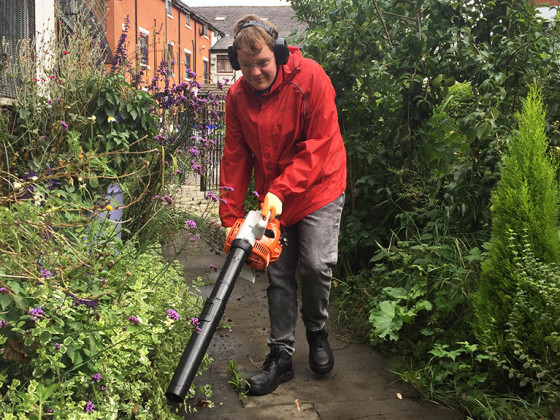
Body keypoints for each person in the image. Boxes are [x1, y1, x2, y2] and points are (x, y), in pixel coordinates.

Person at [219, 14, 347, 396]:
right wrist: (231, 216)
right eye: (245, 66)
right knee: (277, 271)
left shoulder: (311, 79)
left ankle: (317, 330)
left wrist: (283, 187)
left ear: (276, 53)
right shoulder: (237, 97)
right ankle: (281, 356)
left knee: (314, 264)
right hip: (275, 195)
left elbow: (321, 144)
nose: (255, 72)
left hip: (319, 185)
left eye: (261, 62)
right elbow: (236, 157)